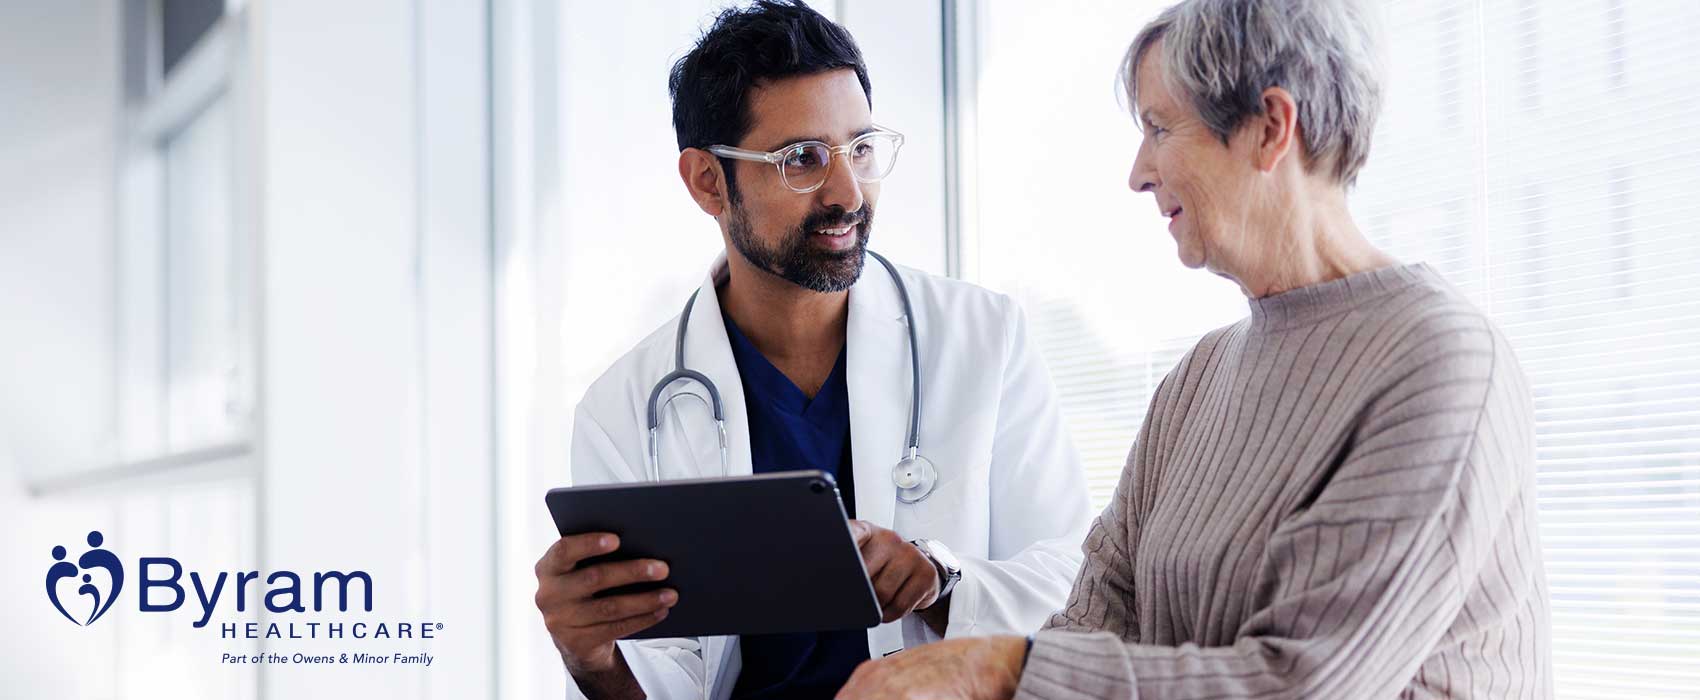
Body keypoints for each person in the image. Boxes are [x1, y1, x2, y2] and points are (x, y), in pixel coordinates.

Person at [836, 0, 1553, 698]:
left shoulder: (1439, 365)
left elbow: (1303, 683)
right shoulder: (1200, 377)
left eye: (1159, 127)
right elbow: (1093, 623)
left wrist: (995, 669)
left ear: (1270, 128)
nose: (1138, 172)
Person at [532, 2, 1091, 698]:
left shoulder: (984, 338)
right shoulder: (623, 409)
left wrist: (940, 581)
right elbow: (658, 672)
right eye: (802, 158)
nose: (848, 191)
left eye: (861, 148)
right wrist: (592, 658)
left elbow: (1082, 582)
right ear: (708, 180)